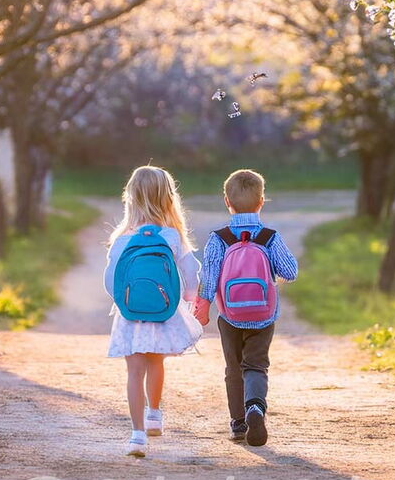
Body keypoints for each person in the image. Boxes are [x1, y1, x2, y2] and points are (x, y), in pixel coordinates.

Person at [193, 169, 298, 446]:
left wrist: (202, 308)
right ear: (261, 201)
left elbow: (209, 278)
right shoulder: (269, 237)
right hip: (263, 315)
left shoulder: (220, 238)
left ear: (226, 201)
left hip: (230, 315)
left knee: (233, 368)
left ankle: (239, 424)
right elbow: (291, 271)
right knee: (256, 365)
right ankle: (256, 407)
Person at [104, 166, 203, 457]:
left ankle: (136, 436)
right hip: (163, 311)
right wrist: (188, 299)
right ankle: (154, 415)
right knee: (156, 363)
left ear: (130, 198)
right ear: (168, 198)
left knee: (134, 372)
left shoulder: (122, 239)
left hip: (130, 314)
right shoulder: (173, 237)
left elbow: (110, 279)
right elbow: (190, 273)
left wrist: (121, 301)